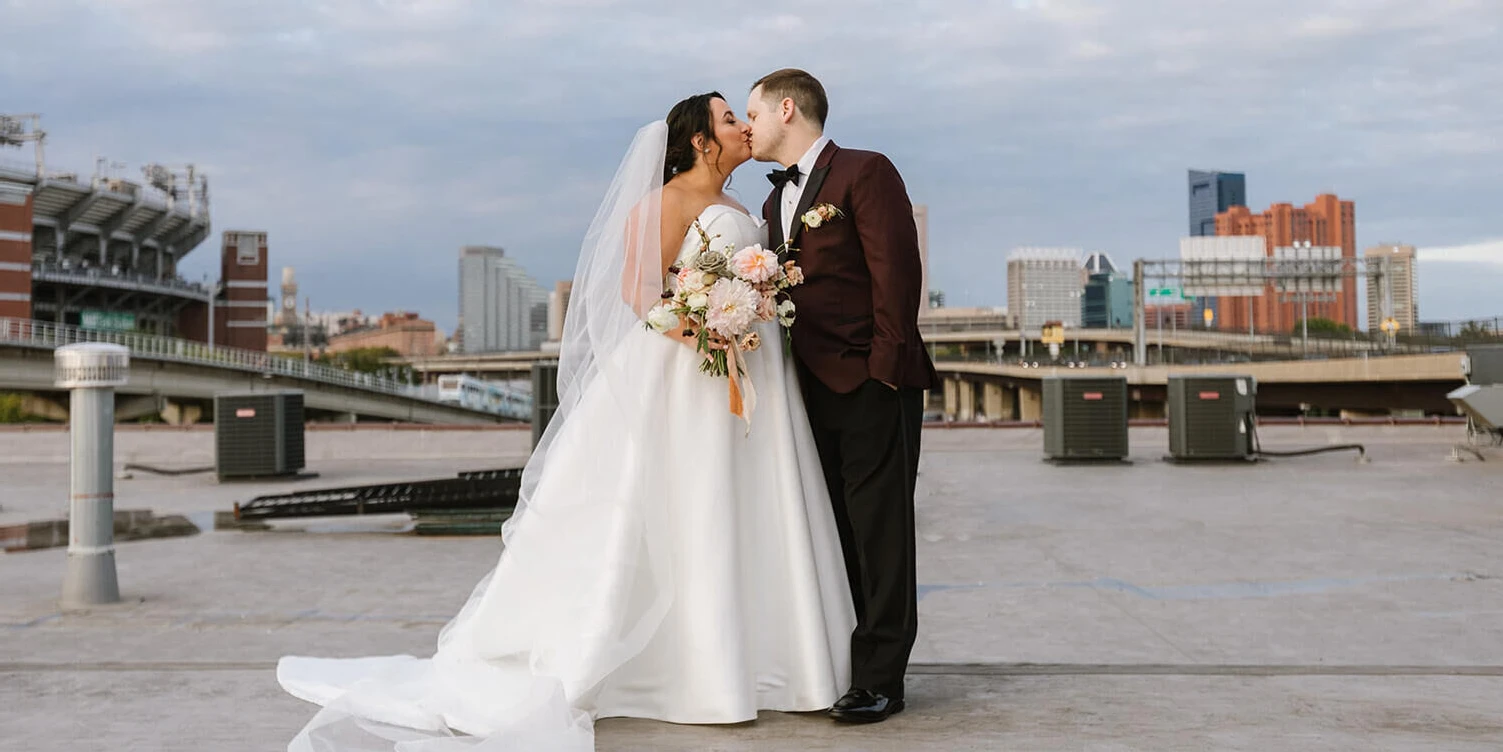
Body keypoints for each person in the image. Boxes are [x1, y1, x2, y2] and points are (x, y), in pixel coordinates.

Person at [275, 92, 855, 751]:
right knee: (673, 507)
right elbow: (638, 293)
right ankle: (683, 671)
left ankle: (765, 665)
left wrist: (746, 307)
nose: (743, 129)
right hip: (682, 374)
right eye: (729, 120)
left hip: (750, 376)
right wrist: (705, 332)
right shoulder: (664, 201)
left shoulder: (744, 209)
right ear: (698, 141)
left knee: (746, 508)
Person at [747, 68, 938, 724]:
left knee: (879, 531)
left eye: (754, 113)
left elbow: (896, 270)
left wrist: (883, 371)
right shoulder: (773, 205)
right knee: (834, 531)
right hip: (807, 388)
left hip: (868, 383)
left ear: (788, 109)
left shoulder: (864, 170)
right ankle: (844, 663)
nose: (748, 127)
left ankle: (882, 678)